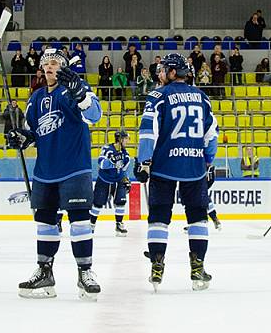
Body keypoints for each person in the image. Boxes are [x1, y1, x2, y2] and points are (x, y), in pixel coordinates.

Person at [7, 48, 103, 300]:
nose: (50, 66)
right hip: (46, 171)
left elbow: (94, 116)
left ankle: (85, 272)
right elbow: (33, 133)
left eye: (55, 62)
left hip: (74, 167)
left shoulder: (75, 88)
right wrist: (21, 138)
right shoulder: (36, 98)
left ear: (63, 67)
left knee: (80, 221)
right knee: (45, 223)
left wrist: (79, 93)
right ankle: (44, 272)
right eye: (46, 63)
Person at [136, 53, 217, 292]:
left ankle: (157, 265)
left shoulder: (158, 96)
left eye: (162, 70)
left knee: (159, 217)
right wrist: (207, 163)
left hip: (164, 167)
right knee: (198, 217)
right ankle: (197, 268)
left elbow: (148, 131)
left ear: (173, 73)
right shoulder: (202, 97)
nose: (158, 74)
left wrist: (144, 161)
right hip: (194, 167)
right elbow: (211, 135)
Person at [91, 131, 131, 237]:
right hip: (104, 180)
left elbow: (124, 168)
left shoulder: (125, 154)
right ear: (120, 139)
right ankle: (91, 224)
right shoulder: (107, 149)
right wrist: (112, 162)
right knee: (97, 204)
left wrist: (126, 179)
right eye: (126, 139)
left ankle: (119, 224)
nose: (127, 141)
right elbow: (101, 163)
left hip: (118, 180)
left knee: (121, 202)